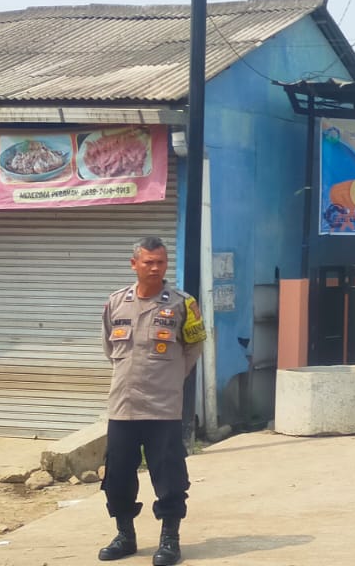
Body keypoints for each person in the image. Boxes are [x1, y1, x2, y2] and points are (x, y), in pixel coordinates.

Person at [97, 237, 206, 565]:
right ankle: (125, 535)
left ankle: (170, 540)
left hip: (163, 408)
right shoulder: (116, 302)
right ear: (134, 264)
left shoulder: (182, 304)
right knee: (117, 475)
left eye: (161, 262)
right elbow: (110, 349)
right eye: (148, 262)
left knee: (169, 476)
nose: (155, 268)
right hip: (123, 405)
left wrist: (170, 379)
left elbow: (194, 348)